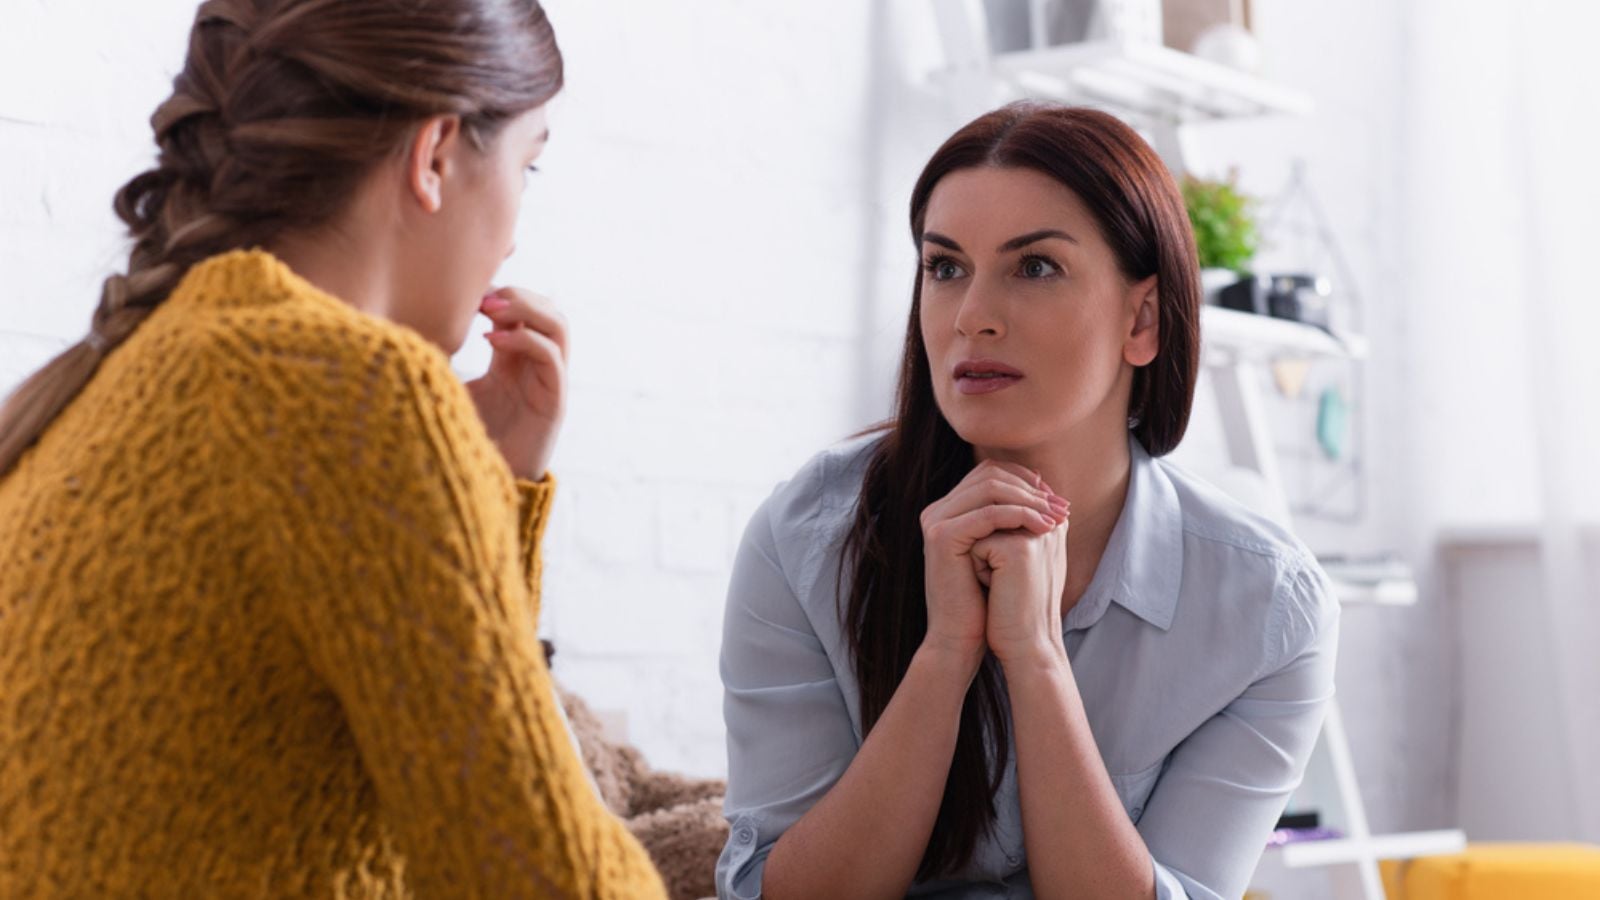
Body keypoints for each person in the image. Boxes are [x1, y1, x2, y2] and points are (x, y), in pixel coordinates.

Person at [0, 1, 666, 896]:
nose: (513, 232)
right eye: (528, 165)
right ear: (434, 157)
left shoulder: (128, 371)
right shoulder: (355, 390)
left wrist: (492, 481)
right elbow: (541, 873)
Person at [716, 102, 1340, 900]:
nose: (972, 317)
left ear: (1142, 318)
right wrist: (944, 659)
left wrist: (1036, 658)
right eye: (945, 268)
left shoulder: (1268, 612)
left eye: (1035, 266)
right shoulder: (806, 540)